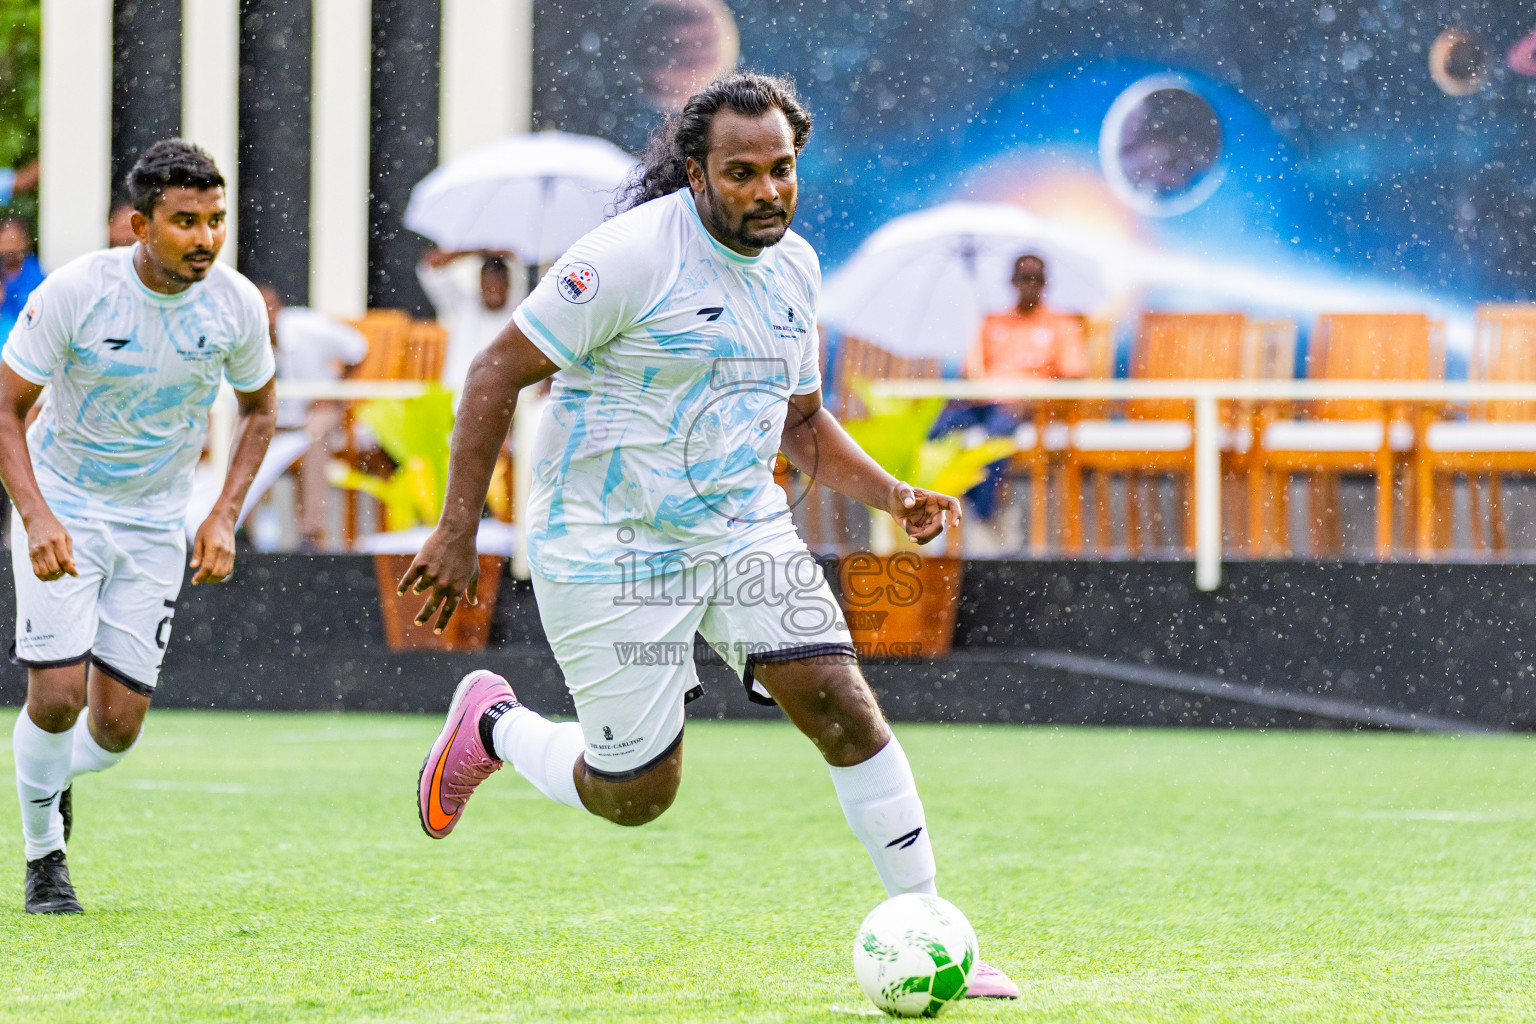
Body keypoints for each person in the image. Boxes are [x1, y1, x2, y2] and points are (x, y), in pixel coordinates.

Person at [400, 73, 1018, 999]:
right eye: (741, 173)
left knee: (843, 707)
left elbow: (799, 422)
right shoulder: (627, 258)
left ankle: (932, 929)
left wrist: (892, 494)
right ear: (696, 174)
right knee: (635, 796)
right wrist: (458, 528)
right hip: (606, 542)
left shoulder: (796, 268)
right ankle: (494, 726)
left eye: (782, 169)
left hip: (739, 529)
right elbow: (493, 374)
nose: (768, 191)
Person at [0, 139, 277, 913]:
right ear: (139, 226)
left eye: (215, 220)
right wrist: (36, 516)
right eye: (186, 221)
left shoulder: (236, 304)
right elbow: (5, 408)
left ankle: (48, 775)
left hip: (157, 522)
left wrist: (222, 513)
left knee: (116, 730)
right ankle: (44, 858)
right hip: (65, 506)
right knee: (57, 696)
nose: (206, 238)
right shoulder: (77, 291)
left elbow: (260, 412)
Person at [947, 253, 1091, 524]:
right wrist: (973, 384)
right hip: (983, 401)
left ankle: (983, 514)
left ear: (1045, 283)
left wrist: (1034, 398)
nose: (1030, 285)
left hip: (1025, 407)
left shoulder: (1062, 325)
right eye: (1024, 278)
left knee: (996, 438)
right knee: (937, 430)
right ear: (1012, 281)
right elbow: (967, 373)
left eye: (1036, 279)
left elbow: (1073, 376)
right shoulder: (992, 322)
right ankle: (935, 506)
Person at [260, 285, 368, 550]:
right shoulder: (244, 338)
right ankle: (247, 533)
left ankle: (311, 534)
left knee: (314, 436)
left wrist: (333, 392)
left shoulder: (308, 327)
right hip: (277, 416)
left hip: (317, 410)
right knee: (244, 436)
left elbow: (358, 348)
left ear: (279, 309)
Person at [416, 248, 520, 392]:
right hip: (458, 396)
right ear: (480, 283)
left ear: (508, 284)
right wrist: (478, 250)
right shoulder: (463, 306)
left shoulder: (519, 316)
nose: (494, 289)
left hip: (505, 399)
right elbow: (431, 265)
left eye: (499, 282)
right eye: (489, 284)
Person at [0, 217, 46, 344]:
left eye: (14, 242)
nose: (10, 248)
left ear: (25, 242)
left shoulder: (37, 276)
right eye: (5, 242)